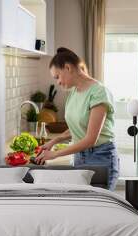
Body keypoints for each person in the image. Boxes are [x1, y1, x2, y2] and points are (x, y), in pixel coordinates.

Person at [35, 47, 119, 191]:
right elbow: (77, 126)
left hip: (100, 157)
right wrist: (54, 141)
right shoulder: (74, 92)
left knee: (97, 209)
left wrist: (54, 154)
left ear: (67, 68)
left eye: (57, 76)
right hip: (80, 156)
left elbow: (90, 138)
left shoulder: (99, 92)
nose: (58, 82)